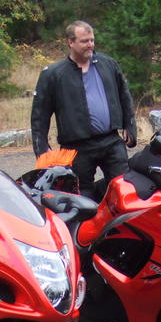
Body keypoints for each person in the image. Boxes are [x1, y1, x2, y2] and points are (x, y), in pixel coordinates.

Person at [30, 20, 137, 199]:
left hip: (110, 141)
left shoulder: (108, 64)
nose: (90, 45)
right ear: (70, 42)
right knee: (82, 198)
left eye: (92, 40)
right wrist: (41, 149)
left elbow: (124, 96)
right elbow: (39, 116)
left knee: (124, 189)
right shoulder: (53, 75)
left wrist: (130, 126)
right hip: (77, 147)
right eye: (84, 41)